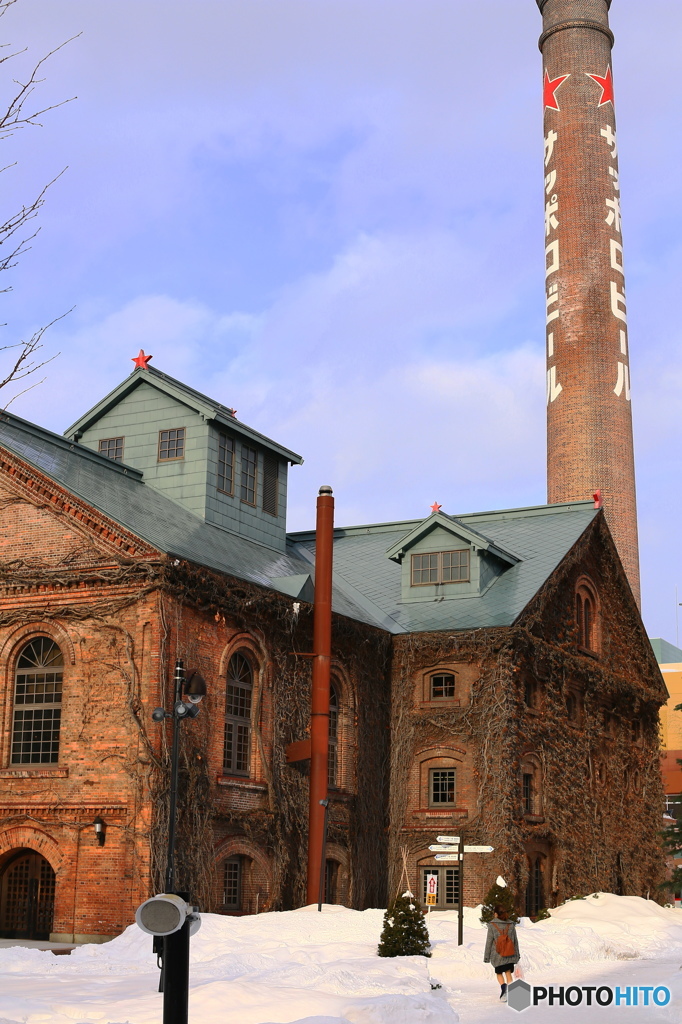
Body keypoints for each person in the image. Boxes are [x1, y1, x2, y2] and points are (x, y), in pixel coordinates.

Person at [483, 904, 520, 1002]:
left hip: (497, 955)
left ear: (495, 914)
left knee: (499, 973)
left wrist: (486, 957)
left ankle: (504, 989)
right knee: (508, 972)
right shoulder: (511, 924)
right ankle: (510, 991)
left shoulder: (492, 925)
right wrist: (517, 955)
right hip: (510, 953)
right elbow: (515, 941)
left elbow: (489, 941)